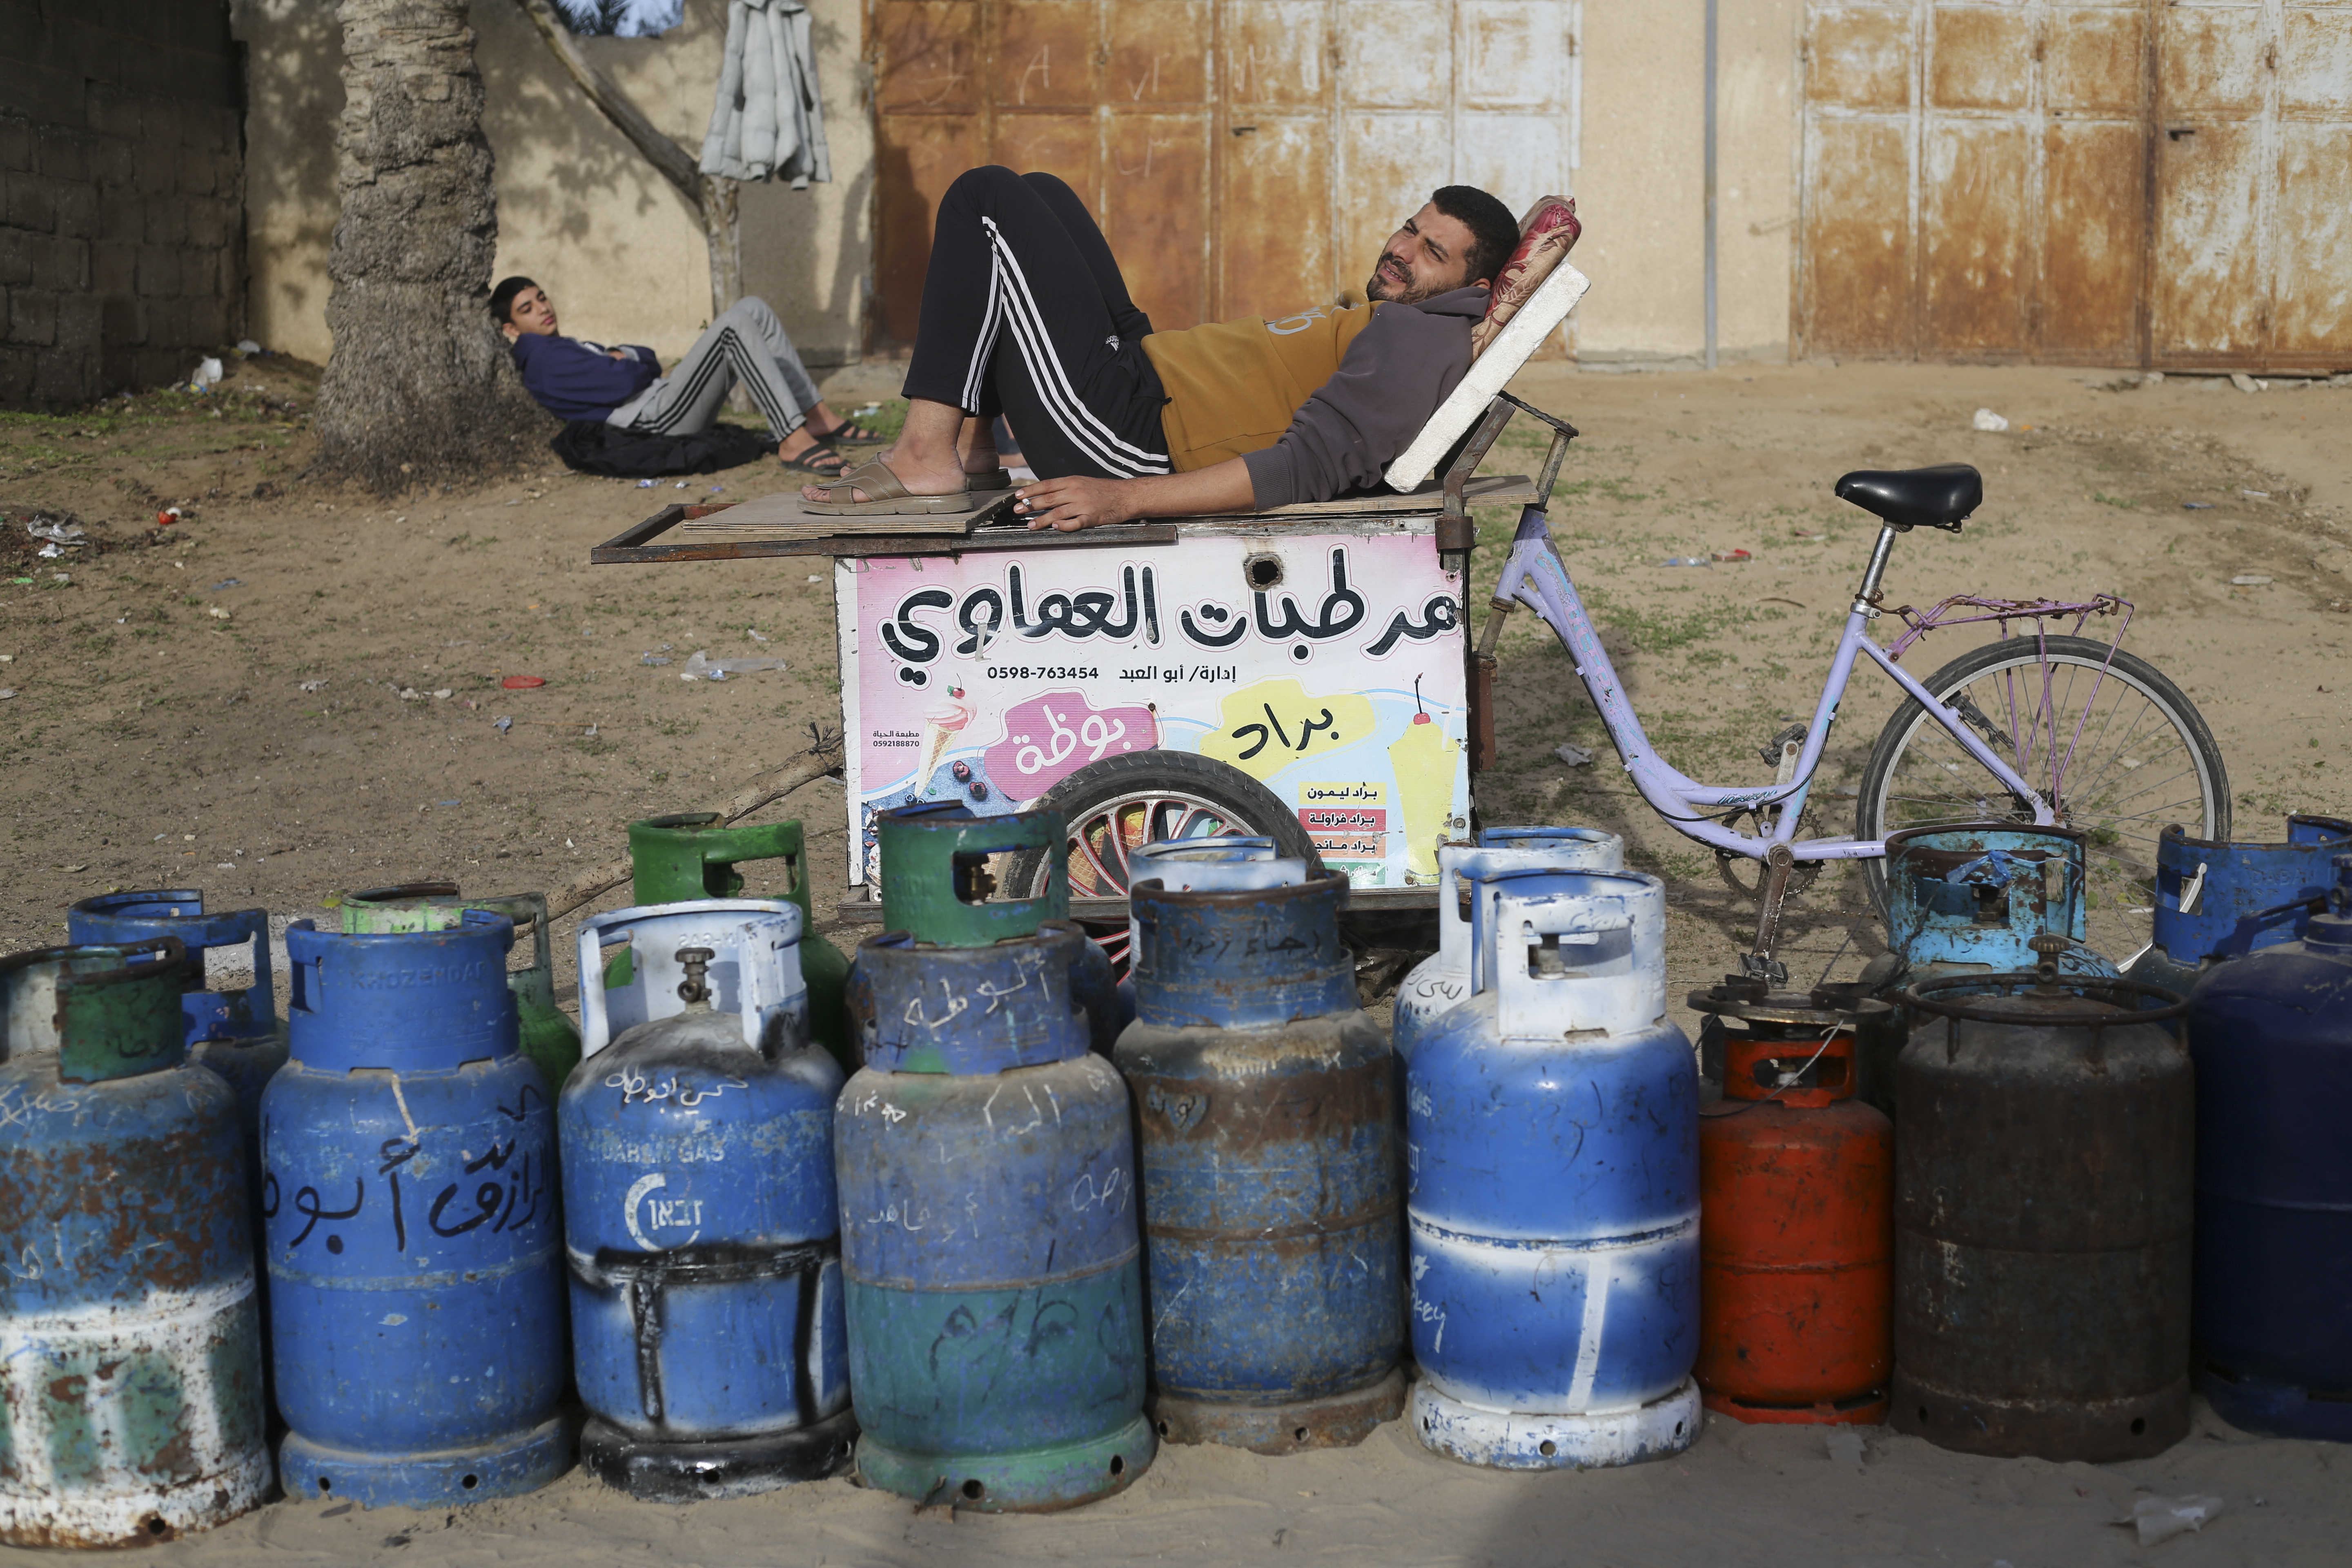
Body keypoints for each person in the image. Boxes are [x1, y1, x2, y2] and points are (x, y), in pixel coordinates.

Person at [801, 167, 1521, 529]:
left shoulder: (1424, 338)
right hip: (1145, 377)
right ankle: (977, 447)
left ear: (1475, 284)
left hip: (1132, 438)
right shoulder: (1403, 317)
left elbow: (1306, 468)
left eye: (1432, 254)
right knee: (1042, 193)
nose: (1402, 253)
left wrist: (1125, 500)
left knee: (984, 199)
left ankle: (928, 452)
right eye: (1409, 230)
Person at [493, 279, 883, 476]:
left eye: (542, 297)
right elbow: (628, 380)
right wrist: (631, 360)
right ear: (511, 329)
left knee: (752, 309)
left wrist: (628, 358)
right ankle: (794, 440)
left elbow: (642, 359)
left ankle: (817, 416)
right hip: (659, 420)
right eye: (527, 309)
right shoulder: (544, 358)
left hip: (663, 399)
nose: (542, 308)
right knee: (733, 325)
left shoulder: (559, 347)